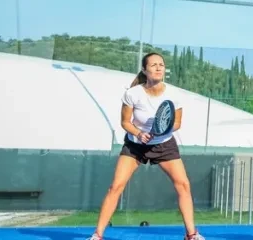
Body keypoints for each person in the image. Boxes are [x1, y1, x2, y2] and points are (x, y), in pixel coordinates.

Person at [86, 53, 204, 240]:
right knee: (116, 186)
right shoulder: (132, 94)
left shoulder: (174, 94)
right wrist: (139, 133)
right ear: (144, 70)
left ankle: (191, 235)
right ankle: (97, 235)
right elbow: (125, 122)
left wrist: (161, 130)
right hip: (135, 146)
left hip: (164, 145)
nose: (158, 68)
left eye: (161, 65)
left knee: (183, 185)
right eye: (153, 65)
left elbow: (177, 123)